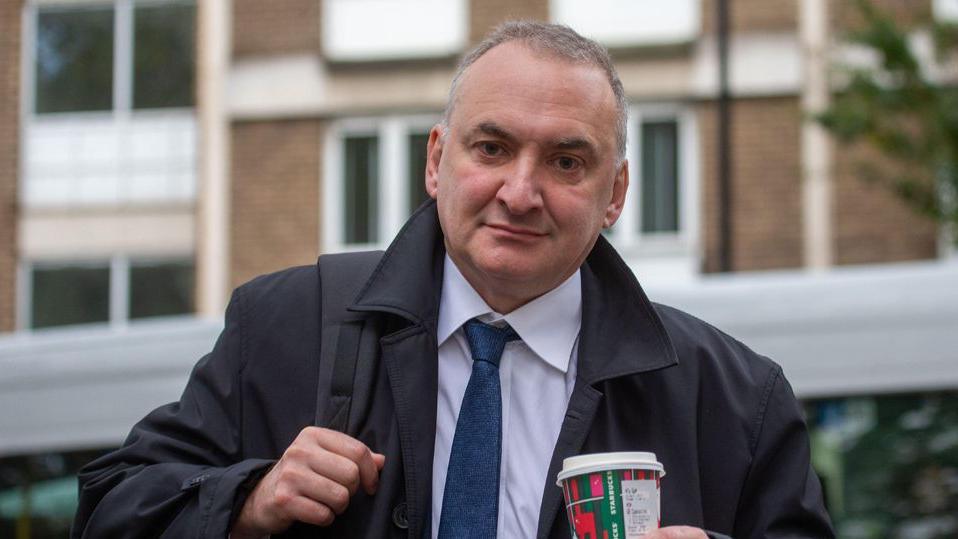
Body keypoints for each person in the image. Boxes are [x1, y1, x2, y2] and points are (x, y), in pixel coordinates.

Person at [72, 22, 833, 539]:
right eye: (492, 148)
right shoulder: (284, 326)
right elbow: (109, 505)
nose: (520, 192)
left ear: (616, 195)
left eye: (567, 161)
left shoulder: (737, 399)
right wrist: (245, 502)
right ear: (437, 161)